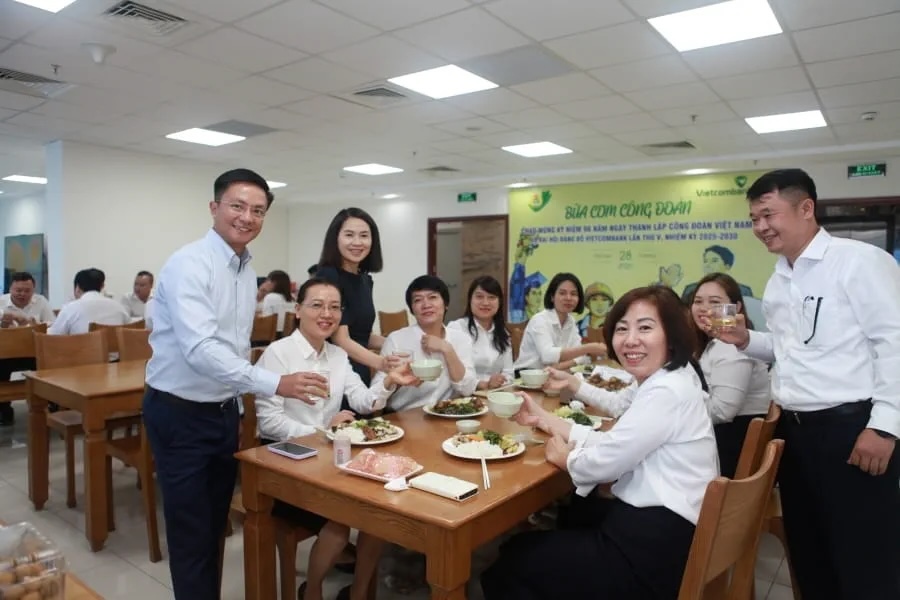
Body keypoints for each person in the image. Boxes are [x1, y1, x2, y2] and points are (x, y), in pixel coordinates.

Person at [709, 168, 900, 600]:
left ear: (806, 208)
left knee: (865, 559)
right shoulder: (780, 280)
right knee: (811, 553)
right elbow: (790, 349)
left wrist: (885, 426)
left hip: (852, 431)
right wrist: (745, 340)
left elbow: (895, 342)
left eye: (768, 215)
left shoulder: (859, 262)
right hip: (795, 434)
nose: (760, 227)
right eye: (754, 218)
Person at [143, 168, 319, 600]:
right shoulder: (189, 263)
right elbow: (201, 348)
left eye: (258, 210)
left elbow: (234, 347)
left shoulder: (245, 267)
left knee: (214, 527)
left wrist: (247, 396)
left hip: (224, 412)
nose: (247, 217)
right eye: (237, 206)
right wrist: (274, 383)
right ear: (214, 207)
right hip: (180, 413)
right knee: (191, 535)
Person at [481, 285, 717, 599]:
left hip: (652, 549)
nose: (630, 339)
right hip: (668, 526)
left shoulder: (667, 391)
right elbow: (616, 441)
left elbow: (606, 462)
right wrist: (545, 419)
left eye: (645, 328)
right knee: (555, 525)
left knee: (508, 565)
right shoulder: (671, 377)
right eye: (622, 328)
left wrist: (566, 460)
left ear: (672, 334)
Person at [255, 277, 417, 600]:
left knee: (378, 514)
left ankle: (358, 594)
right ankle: (311, 591)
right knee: (342, 525)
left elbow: (364, 402)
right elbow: (268, 423)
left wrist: (389, 382)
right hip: (285, 461)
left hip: (330, 459)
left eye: (334, 307)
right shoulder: (278, 354)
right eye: (317, 305)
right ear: (297, 310)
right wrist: (324, 429)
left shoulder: (338, 356)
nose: (326, 314)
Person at [688, 272, 770, 478]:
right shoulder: (711, 342)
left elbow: (722, 412)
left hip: (732, 447)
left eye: (715, 302)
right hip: (721, 440)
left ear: (737, 308)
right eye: (698, 301)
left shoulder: (730, 347)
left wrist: (675, 412)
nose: (704, 308)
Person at [372, 275, 477, 412]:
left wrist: (447, 349)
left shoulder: (460, 339)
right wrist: (394, 379)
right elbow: (375, 396)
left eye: (433, 297)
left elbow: (467, 390)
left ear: (445, 304)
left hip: (447, 415)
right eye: (418, 300)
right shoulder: (397, 339)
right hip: (404, 417)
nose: (426, 305)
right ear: (412, 309)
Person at [316, 208, 387, 389]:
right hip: (335, 373)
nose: (357, 242)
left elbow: (361, 334)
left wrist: (397, 342)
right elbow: (341, 339)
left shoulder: (365, 279)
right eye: (349, 235)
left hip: (360, 367)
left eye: (364, 235)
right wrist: (383, 363)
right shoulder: (329, 276)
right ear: (336, 239)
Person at [514, 273, 606, 373]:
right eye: (562, 293)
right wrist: (589, 348)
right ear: (552, 297)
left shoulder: (571, 321)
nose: (568, 298)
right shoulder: (540, 320)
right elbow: (548, 355)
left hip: (553, 375)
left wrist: (559, 367)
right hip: (526, 377)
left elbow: (581, 358)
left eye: (573, 294)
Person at [0, 271, 55, 425]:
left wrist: (31, 323)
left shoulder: (41, 301)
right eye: (18, 290)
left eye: (27, 291)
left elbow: (53, 327)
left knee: (51, 365)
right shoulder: (1, 303)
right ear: (10, 289)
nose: (22, 294)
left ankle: (51, 403)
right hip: (7, 355)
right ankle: (4, 409)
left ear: (33, 290)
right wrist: (3, 326)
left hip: (35, 353)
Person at [447, 276, 514, 391]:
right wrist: (484, 384)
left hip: (495, 394)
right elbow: (451, 373)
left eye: (492, 297)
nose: (485, 302)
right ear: (470, 300)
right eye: (479, 297)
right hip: (463, 395)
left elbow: (509, 373)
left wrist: (500, 381)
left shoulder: (503, 333)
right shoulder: (456, 329)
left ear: (499, 302)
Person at [48, 268, 130, 335]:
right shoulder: (118, 307)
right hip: (116, 355)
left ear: (77, 288)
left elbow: (53, 336)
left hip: (81, 354)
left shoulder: (70, 308)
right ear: (102, 287)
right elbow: (130, 330)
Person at [258, 269, 295, 334]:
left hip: (271, 336)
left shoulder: (271, 297)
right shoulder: (292, 298)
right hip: (285, 335)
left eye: (267, 281)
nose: (265, 283)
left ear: (274, 283)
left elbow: (266, 320)